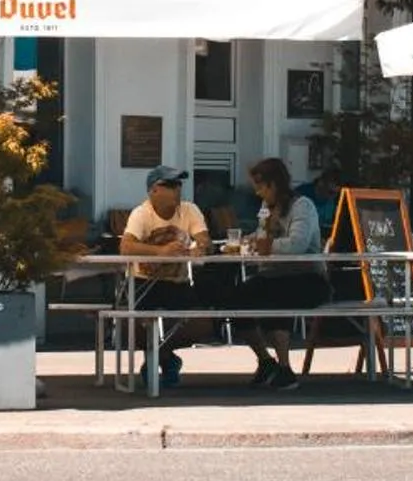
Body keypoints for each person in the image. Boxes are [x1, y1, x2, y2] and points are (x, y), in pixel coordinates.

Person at [227, 158, 330, 390]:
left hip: (307, 278)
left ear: (273, 184)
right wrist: (247, 242)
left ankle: (285, 368)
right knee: (236, 299)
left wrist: (268, 246)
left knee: (275, 298)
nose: (258, 192)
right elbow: (260, 235)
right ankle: (265, 361)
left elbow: (298, 244)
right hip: (273, 275)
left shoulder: (302, 206)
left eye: (260, 187)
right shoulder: (266, 208)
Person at [118, 165, 213, 388]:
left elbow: (204, 240)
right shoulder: (141, 213)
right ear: (153, 190)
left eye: (179, 184)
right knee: (129, 326)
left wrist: (200, 248)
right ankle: (164, 359)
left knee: (202, 324)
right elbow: (126, 246)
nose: (177, 189)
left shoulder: (189, 210)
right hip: (142, 281)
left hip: (177, 281)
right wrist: (160, 251)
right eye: (170, 185)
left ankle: (160, 354)